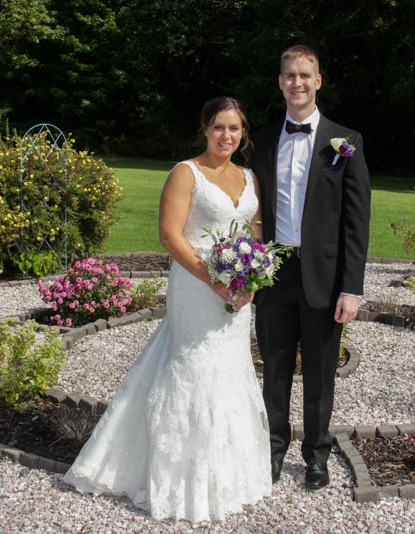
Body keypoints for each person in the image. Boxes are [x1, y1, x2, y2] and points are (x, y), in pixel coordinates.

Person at [63, 96, 272, 523]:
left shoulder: (249, 177)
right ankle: (178, 483)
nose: (226, 136)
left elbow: (256, 233)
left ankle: (229, 476)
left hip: (237, 293)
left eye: (234, 128)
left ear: (243, 133)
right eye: (218, 127)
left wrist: (252, 279)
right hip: (196, 287)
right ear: (204, 128)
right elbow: (169, 236)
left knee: (231, 370)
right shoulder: (186, 172)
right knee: (190, 367)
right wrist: (214, 280)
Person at [250, 45, 371, 490]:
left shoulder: (346, 142)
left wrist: (351, 289)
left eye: (305, 75)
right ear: (279, 81)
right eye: (288, 75)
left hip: (324, 278)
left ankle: (316, 456)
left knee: (320, 373)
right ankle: (273, 449)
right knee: (275, 367)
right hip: (273, 274)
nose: (296, 82)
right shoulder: (263, 140)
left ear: (318, 80)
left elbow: (357, 222)